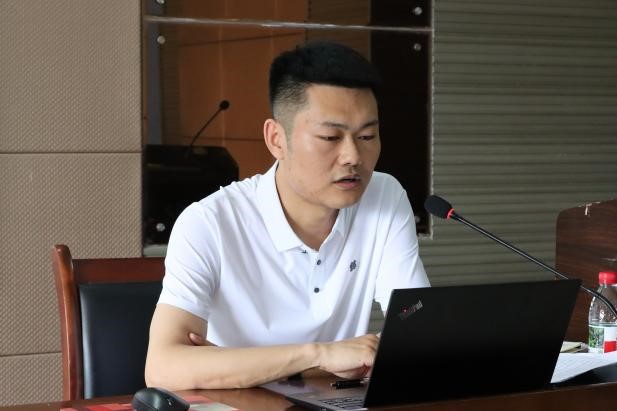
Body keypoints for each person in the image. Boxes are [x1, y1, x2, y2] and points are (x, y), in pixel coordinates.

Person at [145, 41, 429, 390]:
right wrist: (319, 355)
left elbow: (416, 322)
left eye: (367, 136)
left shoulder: (384, 196)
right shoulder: (209, 223)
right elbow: (163, 368)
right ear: (276, 139)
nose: (353, 156)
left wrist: (233, 364)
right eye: (330, 137)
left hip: (335, 402)